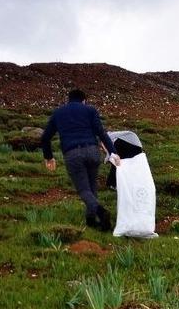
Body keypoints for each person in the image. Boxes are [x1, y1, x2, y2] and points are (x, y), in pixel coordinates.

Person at [41, 89, 120, 231]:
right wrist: (113, 152)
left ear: (68, 100)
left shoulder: (58, 113)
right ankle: (92, 221)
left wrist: (49, 157)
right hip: (92, 151)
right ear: (84, 100)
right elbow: (101, 132)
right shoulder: (90, 110)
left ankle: (100, 212)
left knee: (84, 189)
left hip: (73, 153)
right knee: (92, 186)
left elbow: (45, 137)